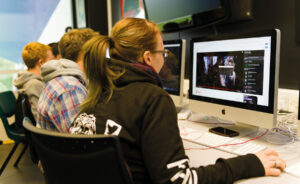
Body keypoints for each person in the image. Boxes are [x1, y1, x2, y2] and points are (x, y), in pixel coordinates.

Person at [74, 18, 285, 184]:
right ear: (148, 57)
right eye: (162, 52)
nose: (165, 58)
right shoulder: (153, 98)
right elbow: (180, 180)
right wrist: (250, 163)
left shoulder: (99, 92)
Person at [37, 28, 99, 132]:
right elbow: (81, 140)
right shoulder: (71, 89)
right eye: (97, 52)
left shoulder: (59, 78)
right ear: (85, 53)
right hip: (63, 147)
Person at [13, 42, 55, 121]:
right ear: (41, 63)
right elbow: (42, 118)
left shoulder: (31, 81)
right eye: (52, 61)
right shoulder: (34, 84)